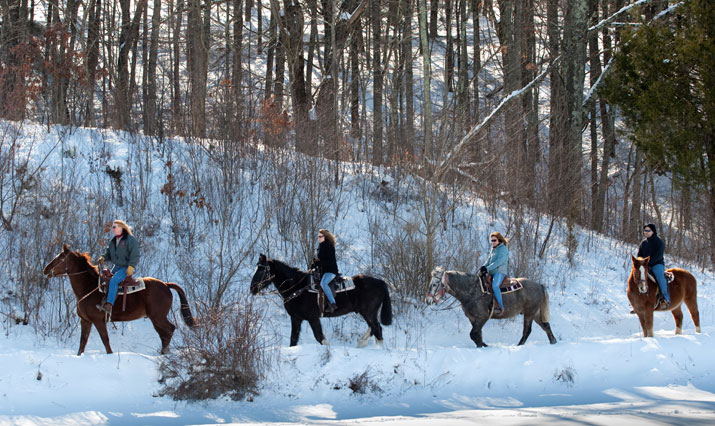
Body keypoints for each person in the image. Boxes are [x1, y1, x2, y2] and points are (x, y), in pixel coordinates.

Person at [96, 220, 140, 316]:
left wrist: (131, 266)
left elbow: (135, 254)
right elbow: (109, 253)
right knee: (107, 280)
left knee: (114, 281)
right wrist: (104, 257)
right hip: (117, 266)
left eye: (115, 227)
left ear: (121, 228)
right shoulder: (114, 241)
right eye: (113, 227)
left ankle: (109, 305)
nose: (113, 229)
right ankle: (106, 300)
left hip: (126, 267)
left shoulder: (130, 240)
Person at [637, 223, 669, 307]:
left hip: (657, 264)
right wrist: (639, 262)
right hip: (644, 265)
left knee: (659, 276)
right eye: (645, 230)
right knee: (636, 275)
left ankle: (665, 299)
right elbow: (639, 255)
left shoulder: (659, 242)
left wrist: (648, 263)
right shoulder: (643, 243)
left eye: (648, 230)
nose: (646, 232)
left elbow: (658, 256)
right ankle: (636, 300)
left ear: (653, 231)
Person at [480, 232, 509, 314]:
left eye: (494, 240)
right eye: (491, 241)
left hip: (500, 272)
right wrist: (483, 267)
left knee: (495, 286)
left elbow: (499, 261)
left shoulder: (503, 249)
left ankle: (500, 306)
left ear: (499, 240)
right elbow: (489, 260)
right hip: (492, 272)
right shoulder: (493, 249)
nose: (492, 242)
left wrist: (487, 268)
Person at [315, 229, 339, 313]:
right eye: (318, 236)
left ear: (325, 237)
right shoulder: (321, 246)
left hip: (331, 271)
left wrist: (319, 263)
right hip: (324, 271)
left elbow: (329, 261)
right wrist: (315, 264)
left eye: (320, 236)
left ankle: (333, 303)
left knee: (323, 283)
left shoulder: (329, 246)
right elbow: (321, 260)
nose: (318, 238)